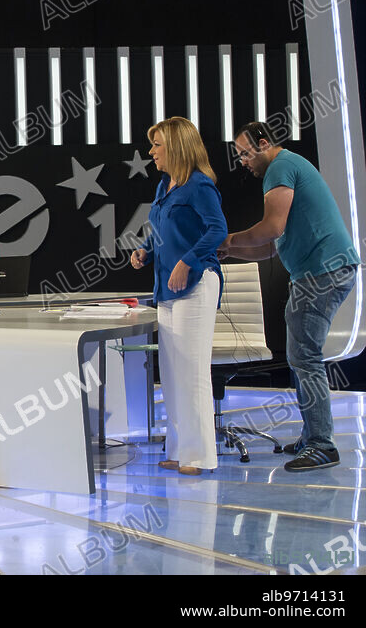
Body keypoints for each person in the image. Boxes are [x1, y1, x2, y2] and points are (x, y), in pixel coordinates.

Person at [219, 121, 360, 472]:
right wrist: (230, 250)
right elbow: (270, 248)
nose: (242, 161)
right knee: (302, 358)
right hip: (321, 272)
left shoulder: (280, 167)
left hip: (321, 273)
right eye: (238, 156)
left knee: (305, 359)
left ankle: (322, 444)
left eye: (245, 153)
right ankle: (314, 434)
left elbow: (271, 228)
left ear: (264, 143)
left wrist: (229, 239)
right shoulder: (289, 166)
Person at [130, 117, 227, 476]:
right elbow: (159, 232)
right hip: (167, 291)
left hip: (197, 286)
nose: (151, 151)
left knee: (192, 372)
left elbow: (218, 229)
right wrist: (144, 251)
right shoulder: (164, 186)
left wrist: (188, 261)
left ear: (177, 147)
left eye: (157, 145)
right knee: (171, 374)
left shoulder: (199, 186)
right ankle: (178, 449)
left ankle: (201, 456)